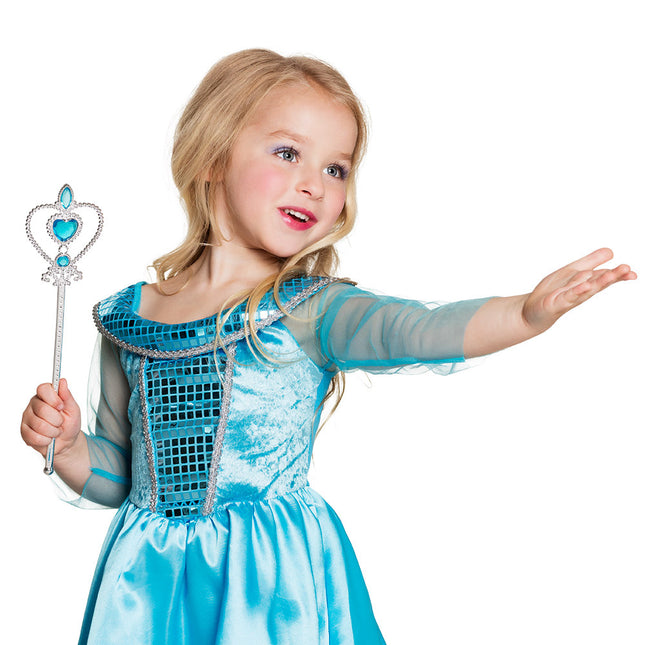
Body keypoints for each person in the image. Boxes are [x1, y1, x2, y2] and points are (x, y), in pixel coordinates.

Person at [20, 49, 636, 644]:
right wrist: (69, 448)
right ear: (212, 158)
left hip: (267, 584)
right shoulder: (130, 320)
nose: (314, 184)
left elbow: (414, 329)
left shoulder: (308, 311)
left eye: (336, 169)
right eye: (288, 153)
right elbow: (124, 478)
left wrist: (523, 314)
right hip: (150, 585)